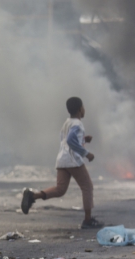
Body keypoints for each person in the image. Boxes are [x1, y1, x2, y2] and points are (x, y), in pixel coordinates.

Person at [21, 97, 103, 229]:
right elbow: (70, 140)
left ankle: (32, 196)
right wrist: (86, 153)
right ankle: (88, 220)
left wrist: (83, 139)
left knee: (60, 190)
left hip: (62, 160)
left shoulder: (67, 122)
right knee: (87, 187)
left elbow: (66, 139)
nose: (84, 109)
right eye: (83, 106)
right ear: (79, 109)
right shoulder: (78, 123)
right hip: (73, 160)